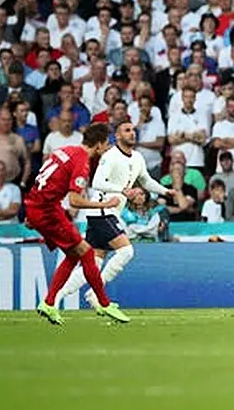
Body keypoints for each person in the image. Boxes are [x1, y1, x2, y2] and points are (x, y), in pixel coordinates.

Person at [54, 121, 178, 307]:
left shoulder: (137, 157)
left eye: (133, 130)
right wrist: (123, 190)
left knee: (94, 264)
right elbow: (97, 182)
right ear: (117, 136)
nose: (132, 133)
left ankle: (54, 298)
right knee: (126, 251)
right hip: (103, 210)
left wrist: (165, 191)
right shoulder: (110, 156)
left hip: (110, 212)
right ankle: (96, 295)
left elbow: (145, 179)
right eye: (126, 130)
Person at [23, 123, 129, 325]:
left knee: (73, 255)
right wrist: (105, 203)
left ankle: (49, 302)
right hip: (47, 211)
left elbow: (42, 179)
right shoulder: (82, 162)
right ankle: (104, 303)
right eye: (106, 144)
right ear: (98, 145)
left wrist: (32, 212)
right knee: (87, 252)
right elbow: (74, 200)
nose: (107, 148)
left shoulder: (65, 150)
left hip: (38, 206)